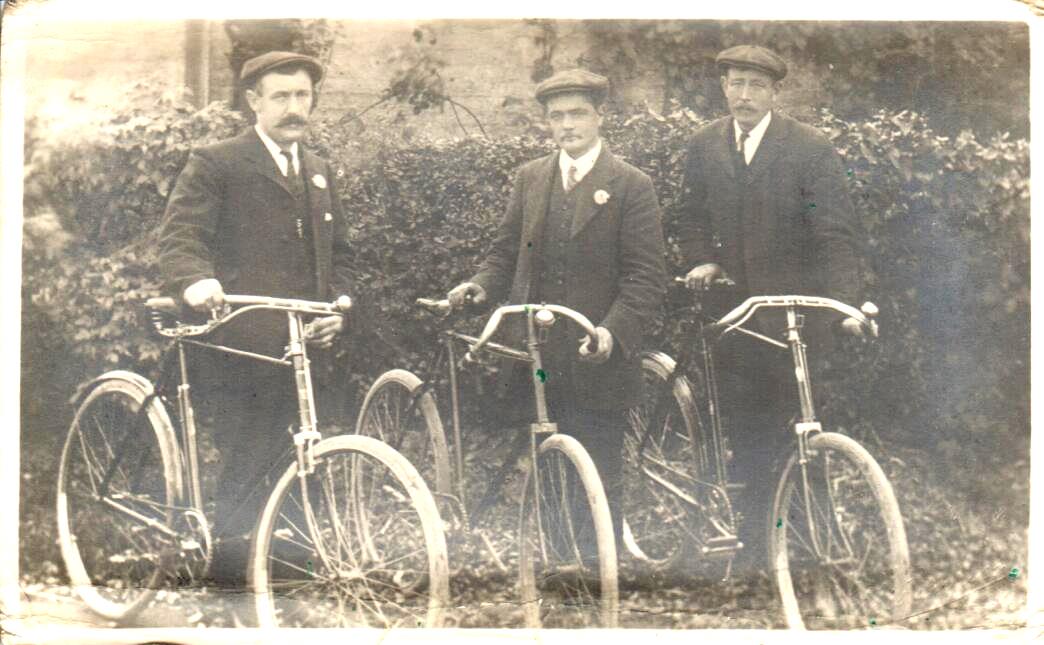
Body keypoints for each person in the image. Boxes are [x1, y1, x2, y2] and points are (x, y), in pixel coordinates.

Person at [447, 69, 667, 555]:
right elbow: (505, 254)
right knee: (547, 460)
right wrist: (479, 288)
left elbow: (646, 277)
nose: (567, 125)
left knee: (598, 471)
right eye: (557, 116)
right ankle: (557, 566)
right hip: (539, 354)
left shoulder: (631, 185)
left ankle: (601, 575)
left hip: (597, 354)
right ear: (547, 121)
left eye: (578, 114)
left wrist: (611, 333)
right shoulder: (531, 178)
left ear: (600, 116)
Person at [157, 50, 352, 587]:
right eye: (282, 96)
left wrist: (341, 307)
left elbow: (345, 255)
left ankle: (284, 570)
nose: (295, 108)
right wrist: (197, 281)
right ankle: (230, 578)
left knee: (297, 452)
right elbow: (180, 239)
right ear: (253, 101)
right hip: (236, 339)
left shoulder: (317, 170)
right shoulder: (218, 161)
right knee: (248, 453)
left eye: (303, 96)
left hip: (302, 343)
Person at [677, 44, 863, 573]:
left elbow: (837, 234)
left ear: (774, 92)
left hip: (795, 318)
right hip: (735, 317)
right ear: (723, 87)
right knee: (748, 436)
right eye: (735, 83)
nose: (744, 95)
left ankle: (810, 552)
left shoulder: (808, 149)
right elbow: (689, 216)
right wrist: (703, 259)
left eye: (756, 86)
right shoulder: (705, 145)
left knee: (803, 431)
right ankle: (758, 556)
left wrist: (843, 304)